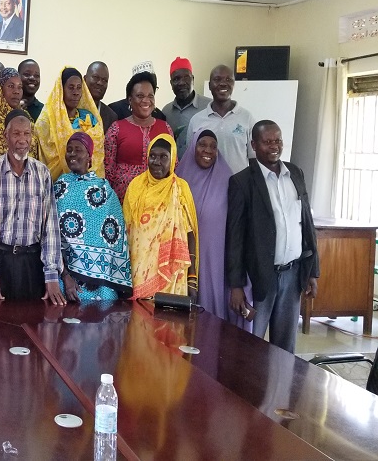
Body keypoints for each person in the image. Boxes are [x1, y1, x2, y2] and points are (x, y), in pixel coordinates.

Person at [226, 121, 319, 353]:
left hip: (293, 273)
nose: (274, 146)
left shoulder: (295, 173)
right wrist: (236, 285)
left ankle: (282, 389)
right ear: (254, 145)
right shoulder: (242, 182)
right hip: (258, 277)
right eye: (267, 142)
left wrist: (312, 271)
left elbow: (307, 223)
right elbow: (235, 237)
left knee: (285, 348)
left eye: (277, 140)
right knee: (250, 347)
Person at [0, 110, 63, 305]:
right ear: (5, 136)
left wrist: (51, 276)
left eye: (27, 134)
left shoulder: (42, 173)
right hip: (0, 262)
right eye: (16, 134)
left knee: (32, 327)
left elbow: (50, 225)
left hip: (32, 264)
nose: (22, 139)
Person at [176, 130, 252, 330]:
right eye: (202, 144)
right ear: (193, 147)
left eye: (213, 146)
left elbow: (237, 230)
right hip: (183, 259)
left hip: (215, 263)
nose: (207, 150)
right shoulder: (178, 180)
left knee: (210, 320)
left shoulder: (229, 180)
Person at [54, 132, 132, 302]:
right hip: (65, 273)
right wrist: (66, 274)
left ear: (89, 156)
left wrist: (97, 275)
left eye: (78, 150)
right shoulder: (59, 186)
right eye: (69, 150)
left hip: (101, 278)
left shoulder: (103, 188)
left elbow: (114, 235)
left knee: (106, 300)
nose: (73, 154)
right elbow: (51, 234)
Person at [123, 134, 198, 300]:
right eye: (152, 156)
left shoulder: (180, 188)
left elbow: (189, 234)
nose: (156, 162)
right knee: (139, 322)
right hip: (138, 271)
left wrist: (192, 278)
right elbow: (126, 231)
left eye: (163, 157)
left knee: (169, 322)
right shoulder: (136, 186)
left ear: (172, 160)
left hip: (172, 272)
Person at [104, 71, 174, 202]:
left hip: (159, 203)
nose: (146, 100)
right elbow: (108, 171)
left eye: (150, 96)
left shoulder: (165, 128)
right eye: (140, 96)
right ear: (130, 100)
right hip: (124, 202)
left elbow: (173, 167)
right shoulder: (117, 128)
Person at [35, 67, 105, 181]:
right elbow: (44, 154)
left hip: (87, 184)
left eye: (79, 88)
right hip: (54, 183)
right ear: (61, 90)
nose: (76, 92)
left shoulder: (89, 118)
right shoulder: (47, 120)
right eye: (71, 88)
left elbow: (97, 151)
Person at [186, 64, 255, 174]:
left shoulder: (247, 118)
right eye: (217, 79)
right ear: (209, 85)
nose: (223, 83)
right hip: (207, 189)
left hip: (238, 188)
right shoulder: (196, 120)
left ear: (234, 84)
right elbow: (190, 159)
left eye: (228, 79)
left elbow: (253, 159)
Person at [161, 57, 211, 159]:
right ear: (171, 84)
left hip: (201, 171)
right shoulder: (165, 112)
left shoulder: (209, 106)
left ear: (193, 79)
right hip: (173, 172)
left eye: (186, 77)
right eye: (176, 79)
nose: (181, 83)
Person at [85, 61, 117, 134]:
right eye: (96, 77)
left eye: (104, 80)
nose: (100, 83)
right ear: (85, 79)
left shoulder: (111, 116)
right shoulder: (70, 107)